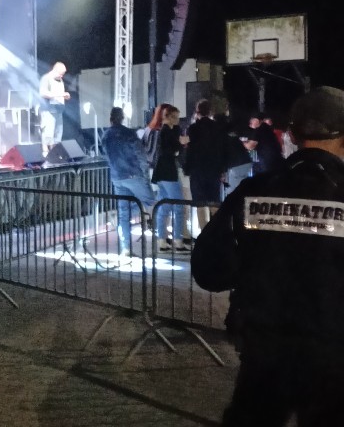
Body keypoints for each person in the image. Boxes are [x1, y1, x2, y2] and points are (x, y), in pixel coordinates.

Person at [192, 86, 344, 425]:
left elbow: (209, 270)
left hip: (264, 351)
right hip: (332, 356)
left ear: (292, 134)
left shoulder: (254, 190)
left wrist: (255, 266)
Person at [101, 107, 154, 257]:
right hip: (133, 173)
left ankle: (125, 248)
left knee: (124, 212)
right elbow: (140, 154)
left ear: (110, 118)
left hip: (117, 176)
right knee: (151, 202)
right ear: (122, 118)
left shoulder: (106, 135)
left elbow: (106, 155)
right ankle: (160, 240)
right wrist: (144, 174)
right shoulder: (129, 133)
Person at [146, 104, 190, 253]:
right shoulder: (165, 132)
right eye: (176, 117)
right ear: (169, 117)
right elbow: (169, 151)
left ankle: (162, 241)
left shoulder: (164, 130)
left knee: (164, 206)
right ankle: (178, 240)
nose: (178, 119)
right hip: (168, 172)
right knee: (178, 205)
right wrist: (180, 145)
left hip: (161, 173)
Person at [183, 99, 227, 229]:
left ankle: (204, 231)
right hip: (214, 169)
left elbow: (190, 151)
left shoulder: (193, 128)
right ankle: (217, 230)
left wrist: (187, 168)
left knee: (200, 203)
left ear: (197, 112)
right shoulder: (217, 127)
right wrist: (222, 169)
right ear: (210, 111)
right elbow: (222, 150)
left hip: (197, 170)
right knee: (214, 201)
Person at [39, 62, 71, 156]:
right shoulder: (46, 78)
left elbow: (60, 94)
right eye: (60, 74)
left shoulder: (60, 80)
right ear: (55, 70)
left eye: (63, 74)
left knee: (58, 134)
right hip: (48, 110)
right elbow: (43, 93)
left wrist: (65, 96)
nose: (62, 76)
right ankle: (46, 153)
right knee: (48, 133)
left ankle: (55, 154)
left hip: (58, 110)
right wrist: (60, 94)